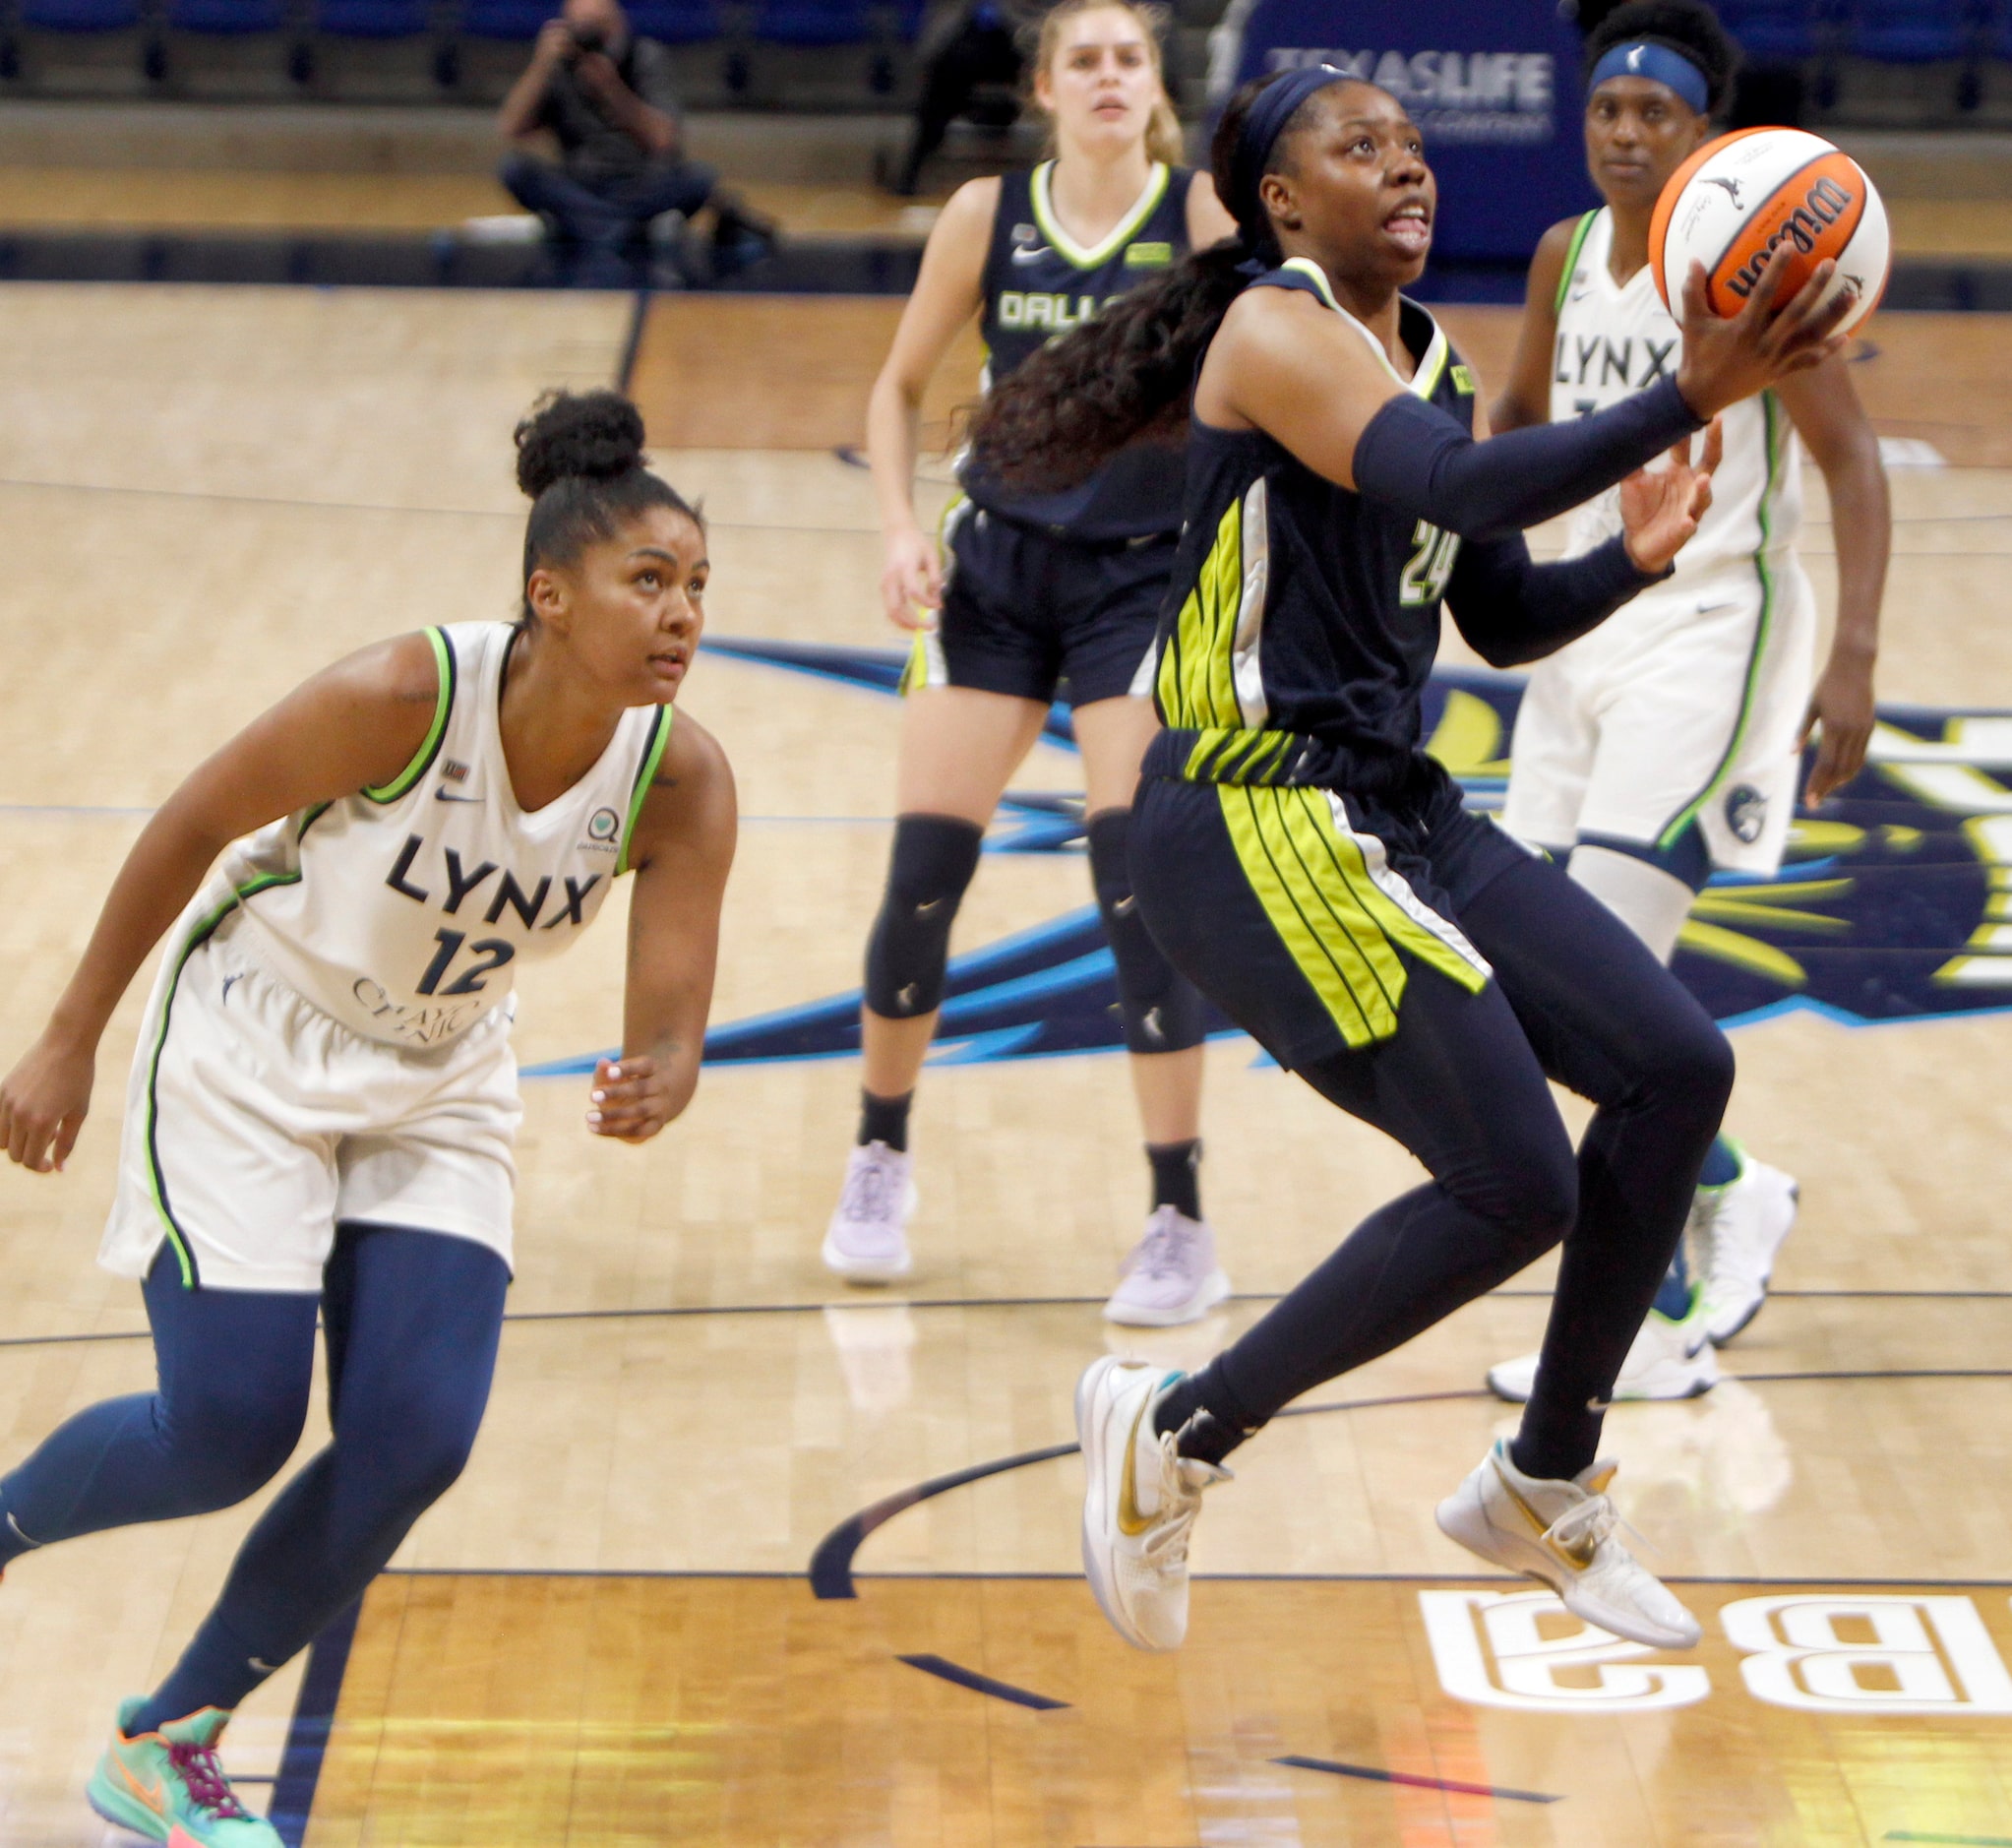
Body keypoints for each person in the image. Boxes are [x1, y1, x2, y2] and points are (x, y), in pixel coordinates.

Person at [969, 67, 1849, 1652]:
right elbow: (1450, 483)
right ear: (1282, 204)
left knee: (1674, 1066)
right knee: (1514, 1179)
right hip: (1252, 808)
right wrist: (1683, 394)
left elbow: (1495, 611)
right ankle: (1179, 1429)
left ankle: (1544, 1478)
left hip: (1393, 799)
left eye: (1413, 145)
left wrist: (1630, 565)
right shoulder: (1275, 333)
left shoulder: (1424, 356)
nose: (1405, 165)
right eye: (1357, 147)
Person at [0, 392, 734, 1846]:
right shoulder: (407, 695)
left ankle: (170, 1736)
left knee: (415, 1436)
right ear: (549, 593)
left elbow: (672, 1010)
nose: (681, 614)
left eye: (699, 587)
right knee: (227, 1425)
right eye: (647, 580)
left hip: (442, 1072)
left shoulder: (680, 776)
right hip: (253, 1043)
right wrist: (72, 1033)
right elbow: (193, 818)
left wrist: (667, 1067)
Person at [1484, 0, 1888, 1406]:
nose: (1625, 133)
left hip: (1714, 637)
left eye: (1654, 112)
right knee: (1524, 993)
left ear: (1708, 132)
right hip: (1587, 630)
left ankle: (1646, 1325)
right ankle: (1734, 1184)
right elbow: (1515, 422)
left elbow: (1851, 465)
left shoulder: (1766, 272)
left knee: (1601, 985)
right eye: (1606, 108)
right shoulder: (1562, 252)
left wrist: (1855, 659)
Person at [825, 0, 1240, 1325]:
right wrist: (899, 527)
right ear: (1045, 87)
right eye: (1086, 61)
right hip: (996, 569)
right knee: (924, 878)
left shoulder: (1202, 216)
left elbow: (1272, 384)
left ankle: (1179, 1216)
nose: (1111, 78)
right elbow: (894, 389)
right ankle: (878, 1157)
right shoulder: (984, 218)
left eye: (1130, 59)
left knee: (1139, 892)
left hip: (1139, 579)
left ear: (1153, 87)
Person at [497, 0, 776, 275]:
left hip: (638, 184)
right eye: (580, 28)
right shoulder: (557, 66)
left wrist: (612, 90)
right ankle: (618, 228)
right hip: (577, 183)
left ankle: (585, 226)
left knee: (700, 177)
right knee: (514, 168)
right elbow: (511, 127)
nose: (589, 38)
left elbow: (664, 141)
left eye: (597, 28)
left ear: (618, 24)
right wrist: (541, 65)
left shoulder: (644, 55)